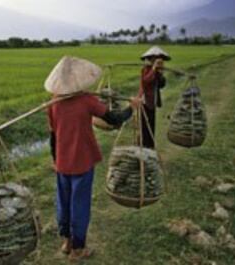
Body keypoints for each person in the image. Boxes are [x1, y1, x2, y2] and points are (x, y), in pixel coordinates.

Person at [45, 56, 140, 261]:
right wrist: (132, 107)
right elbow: (114, 119)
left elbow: (53, 136)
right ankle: (78, 249)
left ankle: (67, 241)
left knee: (64, 201)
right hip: (82, 162)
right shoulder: (87, 101)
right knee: (79, 204)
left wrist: (55, 160)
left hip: (62, 162)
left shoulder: (52, 103)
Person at [138, 46, 171, 149]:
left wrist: (160, 74)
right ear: (151, 58)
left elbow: (161, 84)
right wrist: (153, 69)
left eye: (159, 58)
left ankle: (150, 147)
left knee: (151, 125)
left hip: (153, 101)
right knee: (144, 126)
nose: (158, 60)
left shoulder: (157, 71)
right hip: (144, 101)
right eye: (155, 58)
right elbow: (146, 81)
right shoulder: (145, 69)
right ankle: (143, 147)